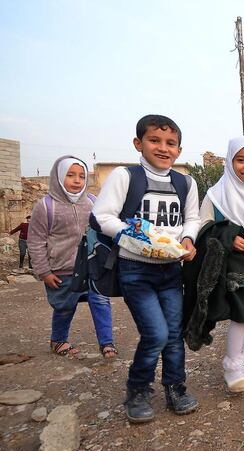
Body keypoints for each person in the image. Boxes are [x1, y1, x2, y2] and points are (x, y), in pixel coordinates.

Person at [92, 114, 201, 423]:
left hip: (171, 271)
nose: (163, 148)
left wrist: (189, 239)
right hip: (135, 269)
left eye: (171, 143)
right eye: (155, 140)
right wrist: (135, 237)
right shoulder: (125, 177)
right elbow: (102, 215)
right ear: (138, 143)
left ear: (179, 150)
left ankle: (176, 387)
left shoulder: (185, 182)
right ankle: (138, 390)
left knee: (174, 334)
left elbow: (191, 218)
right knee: (155, 333)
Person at [186, 136, 244, 393]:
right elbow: (204, 227)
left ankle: (241, 361)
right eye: (240, 160)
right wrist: (228, 238)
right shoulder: (216, 196)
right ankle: (231, 368)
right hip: (228, 263)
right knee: (241, 313)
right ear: (229, 162)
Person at [28, 156, 115, 358]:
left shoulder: (93, 202)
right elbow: (35, 241)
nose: (77, 180)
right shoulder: (46, 206)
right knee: (65, 306)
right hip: (62, 268)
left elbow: (104, 229)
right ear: (58, 177)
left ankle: (107, 342)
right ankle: (58, 340)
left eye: (81, 176)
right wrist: (44, 272)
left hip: (92, 266)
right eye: (70, 175)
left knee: (101, 301)